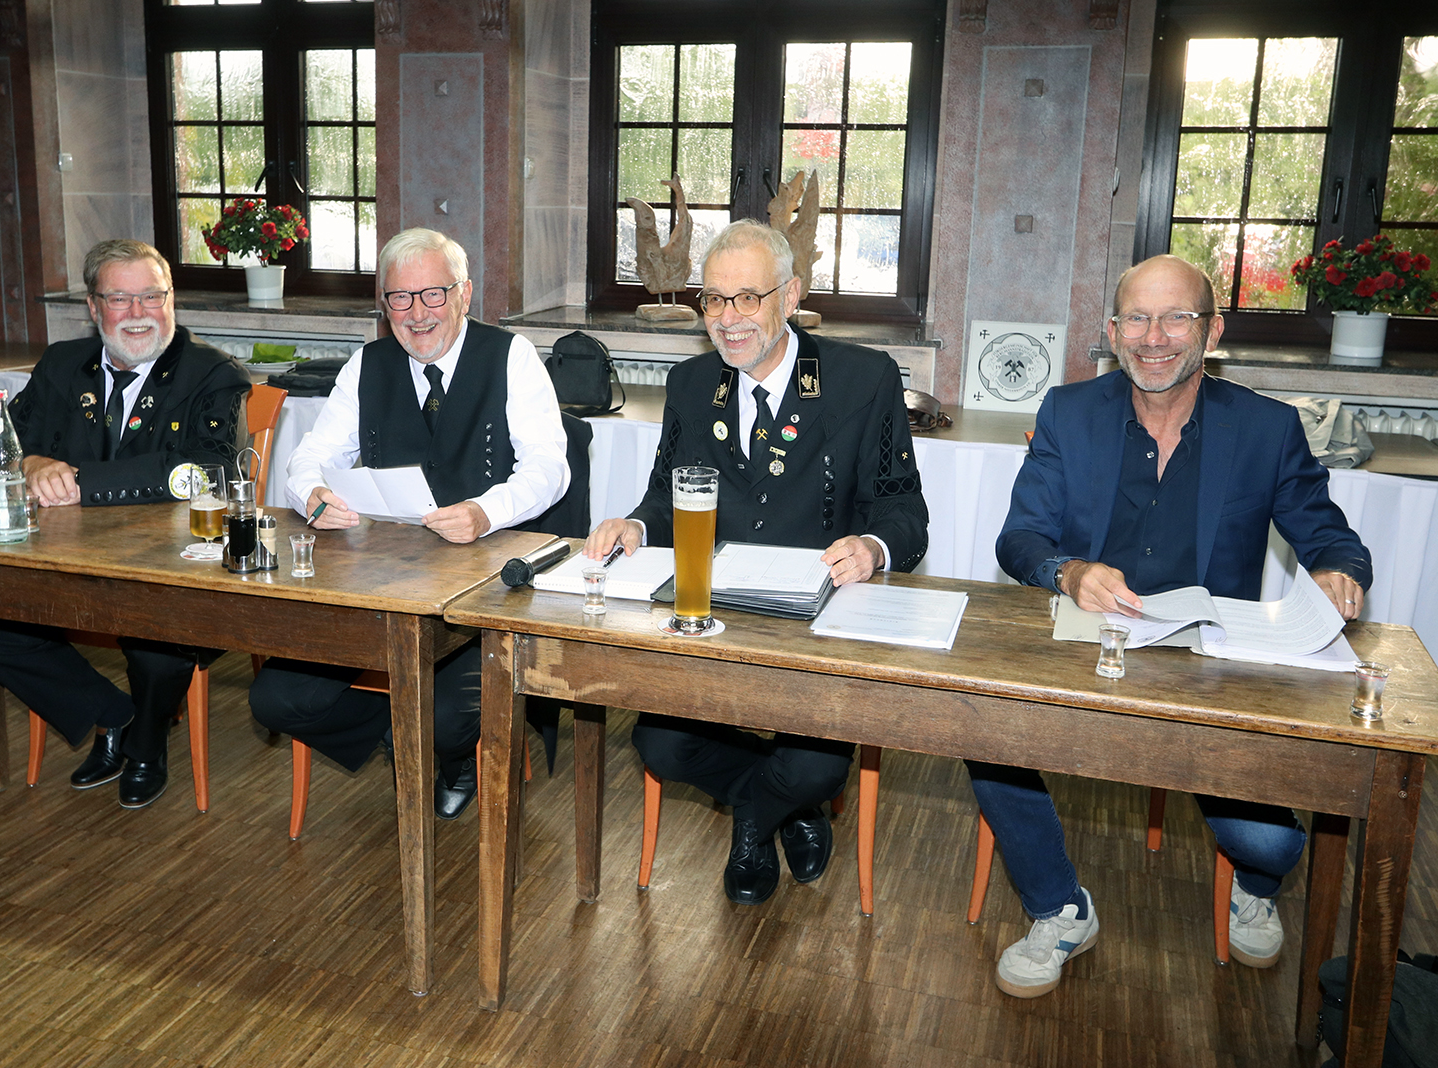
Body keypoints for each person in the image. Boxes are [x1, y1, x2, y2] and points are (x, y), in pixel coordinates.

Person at [976, 253, 1373, 998]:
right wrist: (1069, 572)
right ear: (1113, 331)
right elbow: (1019, 539)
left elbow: (1330, 537)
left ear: (1212, 331)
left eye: (1176, 318)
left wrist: (1337, 572)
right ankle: (1059, 907)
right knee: (984, 734)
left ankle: (1254, 885)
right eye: (1137, 318)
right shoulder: (1068, 412)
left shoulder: (1265, 429)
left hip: (1207, 667)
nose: (1153, 337)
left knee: (1272, 844)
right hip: (1090, 645)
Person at [584, 220, 929, 905]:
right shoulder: (691, 384)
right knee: (660, 746)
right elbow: (665, 496)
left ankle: (754, 820)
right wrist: (634, 524)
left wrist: (873, 548)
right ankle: (777, 810)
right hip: (713, 618)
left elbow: (904, 512)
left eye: (748, 298)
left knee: (815, 769)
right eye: (714, 299)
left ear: (791, 296)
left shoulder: (862, 379)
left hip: (816, 625)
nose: (728, 318)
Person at [249, 227, 569, 820]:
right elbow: (309, 456)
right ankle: (403, 735)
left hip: (481, 589)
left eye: (433, 295)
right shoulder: (367, 365)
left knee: (444, 717)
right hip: (384, 584)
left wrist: (486, 511)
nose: (417, 313)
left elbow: (550, 469)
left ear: (464, 294)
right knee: (276, 699)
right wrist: (311, 493)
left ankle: (445, 750)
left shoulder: (511, 356)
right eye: (400, 297)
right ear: (384, 304)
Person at [0, 238, 250, 809]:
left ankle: (145, 746)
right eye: (120, 299)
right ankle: (113, 715)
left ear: (172, 300)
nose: (139, 313)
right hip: (68, 559)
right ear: (93, 307)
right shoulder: (63, 365)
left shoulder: (213, 373)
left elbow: (207, 469)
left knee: (156, 641)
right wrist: (29, 462)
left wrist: (79, 480)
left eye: (152, 297)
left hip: (167, 563)